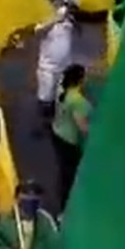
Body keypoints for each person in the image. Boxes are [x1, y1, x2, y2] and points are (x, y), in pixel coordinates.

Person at [51, 63, 91, 211]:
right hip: (69, 141)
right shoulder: (77, 101)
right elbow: (82, 126)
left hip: (57, 133)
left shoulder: (61, 90)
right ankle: (66, 207)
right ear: (80, 80)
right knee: (69, 174)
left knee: (63, 170)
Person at [36, 4, 74, 118]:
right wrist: (54, 19)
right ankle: (43, 121)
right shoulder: (46, 23)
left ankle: (57, 119)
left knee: (60, 96)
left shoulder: (69, 24)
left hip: (64, 67)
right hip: (48, 68)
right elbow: (37, 31)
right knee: (46, 97)